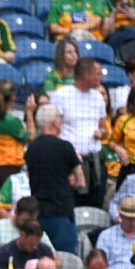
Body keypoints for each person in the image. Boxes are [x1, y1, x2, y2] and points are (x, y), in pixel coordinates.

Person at [24, 105, 86, 253]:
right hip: (61, 213)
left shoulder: (31, 149)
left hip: (38, 213)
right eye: (59, 117)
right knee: (65, 259)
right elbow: (81, 181)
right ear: (53, 122)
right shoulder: (65, 147)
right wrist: (69, 181)